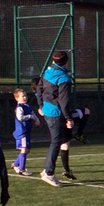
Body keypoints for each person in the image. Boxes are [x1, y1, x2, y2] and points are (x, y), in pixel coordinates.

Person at [36, 50, 73, 187]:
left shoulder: (48, 71)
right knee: (56, 141)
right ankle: (48, 173)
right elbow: (64, 101)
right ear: (66, 60)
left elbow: (39, 88)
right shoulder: (64, 78)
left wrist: (40, 105)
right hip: (55, 113)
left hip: (46, 110)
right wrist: (68, 118)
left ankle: (48, 169)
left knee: (59, 140)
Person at [11, 86, 41, 175]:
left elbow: (33, 114)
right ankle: (22, 170)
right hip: (22, 132)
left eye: (25, 96)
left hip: (27, 131)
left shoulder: (27, 106)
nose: (25, 97)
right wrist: (31, 117)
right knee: (24, 149)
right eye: (22, 96)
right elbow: (20, 118)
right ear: (17, 98)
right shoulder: (19, 107)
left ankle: (16, 164)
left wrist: (37, 120)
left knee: (27, 150)